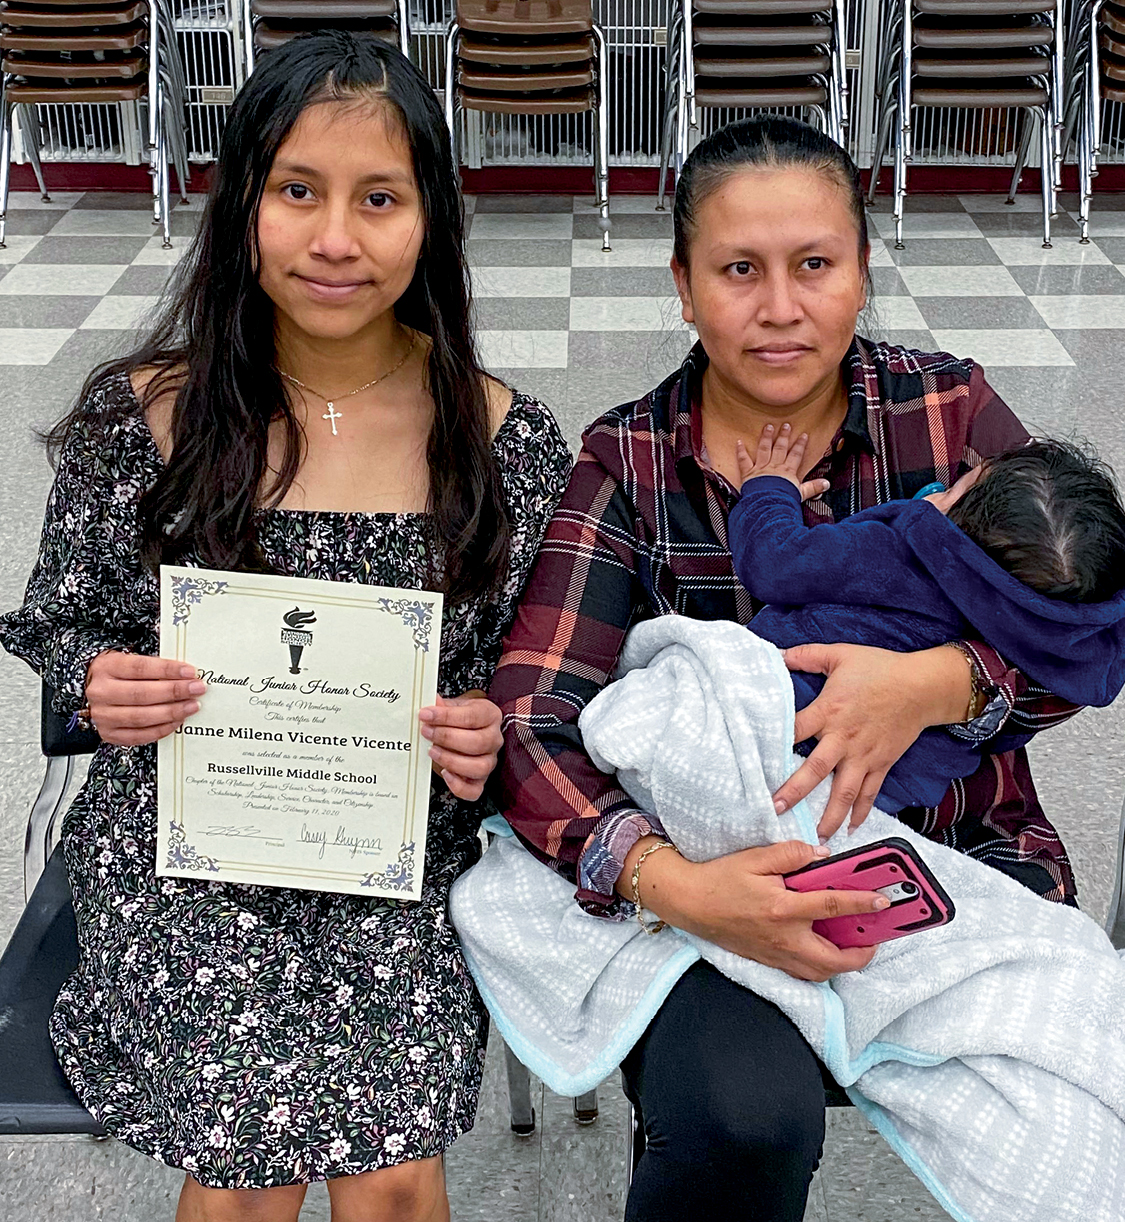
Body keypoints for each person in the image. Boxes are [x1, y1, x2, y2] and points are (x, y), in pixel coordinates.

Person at [0, 32, 572, 1222]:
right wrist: (99, 682)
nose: (334, 240)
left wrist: (492, 735)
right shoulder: (146, 413)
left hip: (398, 850)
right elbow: (60, 628)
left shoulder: (501, 433)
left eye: (379, 199)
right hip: (185, 850)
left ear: (431, 223)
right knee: (251, 1169)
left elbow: (541, 688)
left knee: (392, 1174)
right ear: (241, 207)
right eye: (298, 192)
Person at [488, 114, 1083, 1222]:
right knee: (741, 1117)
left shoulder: (947, 415)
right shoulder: (626, 459)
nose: (778, 309)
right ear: (682, 282)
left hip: (955, 842)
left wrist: (941, 686)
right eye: (737, 270)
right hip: (708, 879)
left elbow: (1090, 624)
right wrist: (684, 887)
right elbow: (531, 713)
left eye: (815, 265)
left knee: (1068, 1083)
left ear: (861, 269)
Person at [730, 427, 1125, 814]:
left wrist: (769, 490)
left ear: (954, 512)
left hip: (758, 717)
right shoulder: (1060, 645)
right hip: (880, 801)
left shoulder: (888, 554)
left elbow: (774, 561)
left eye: (960, 482)